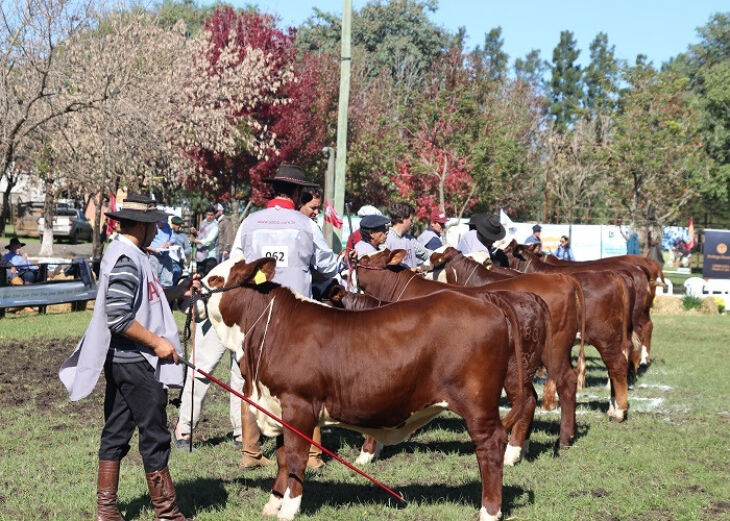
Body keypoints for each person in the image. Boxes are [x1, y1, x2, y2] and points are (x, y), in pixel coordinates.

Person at [58, 193, 200, 521]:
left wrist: (176, 292)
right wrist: (158, 345)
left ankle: (106, 511)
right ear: (139, 225)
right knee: (155, 435)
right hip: (138, 362)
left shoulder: (130, 253)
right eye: (153, 224)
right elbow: (119, 317)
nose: (158, 229)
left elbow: (139, 300)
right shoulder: (126, 257)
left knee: (116, 432)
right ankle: (167, 513)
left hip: (125, 361)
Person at [232, 163, 355, 469]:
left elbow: (235, 263)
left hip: (257, 315)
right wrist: (341, 262)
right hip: (297, 317)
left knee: (254, 381)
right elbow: (326, 266)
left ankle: (250, 453)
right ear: (298, 192)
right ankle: (312, 455)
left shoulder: (250, 223)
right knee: (305, 385)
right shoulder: (305, 225)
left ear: (273, 189)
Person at [385, 202, 433, 269]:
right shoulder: (386, 240)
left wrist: (442, 256)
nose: (412, 223)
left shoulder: (409, 239)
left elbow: (425, 253)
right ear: (402, 218)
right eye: (411, 220)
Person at [147, 219, 176, 288]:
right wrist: (154, 250)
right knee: (153, 278)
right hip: (154, 256)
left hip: (166, 255)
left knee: (167, 278)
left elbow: (172, 239)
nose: (163, 224)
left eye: (164, 222)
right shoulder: (151, 227)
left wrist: (168, 244)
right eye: (161, 222)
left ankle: (166, 294)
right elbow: (144, 244)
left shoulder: (167, 226)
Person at [192, 206, 219, 277]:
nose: (209, 217)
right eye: (208, 214)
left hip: (210, 257)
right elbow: (202, 236)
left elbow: (208, 241)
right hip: (200, 256)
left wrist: (195, 240)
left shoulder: (216, 226)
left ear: (214, 215)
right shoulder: (203, 223)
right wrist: (196, 232)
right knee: (198, 279)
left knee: (208, 278)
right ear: (205, 214)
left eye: (211, 215)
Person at [169, 216, 191, 285]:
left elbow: (189, 249)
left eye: (179, 225)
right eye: (176, 224)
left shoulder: (183, 236)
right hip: (167, 260)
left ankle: (173, 289)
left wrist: (181, 251)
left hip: (178, 261)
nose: (178, 226)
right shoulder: (167, 233)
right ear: (172, 224)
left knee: (177, 270)